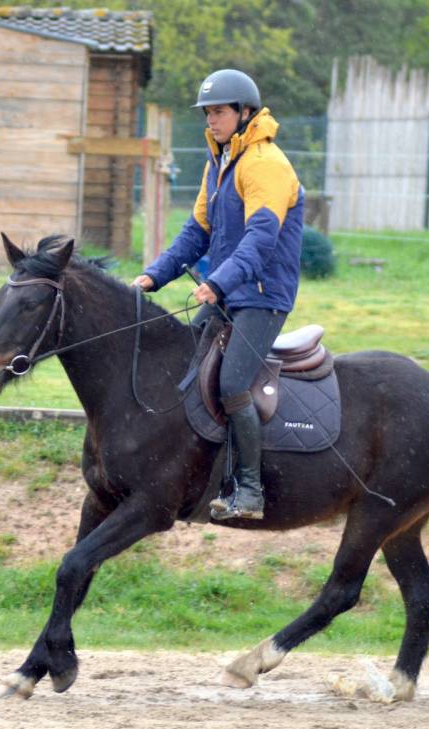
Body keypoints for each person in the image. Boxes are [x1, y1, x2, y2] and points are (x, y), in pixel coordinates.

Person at [132, 68, 304, 521]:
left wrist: (219, 281)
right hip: (229, 291)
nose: (212, 120)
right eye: (208, 113)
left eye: (220, 111)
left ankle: (250, 491)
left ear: (246, 113)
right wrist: (153, 277)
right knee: (185, 363)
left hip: (263, 296)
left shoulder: (266, 163)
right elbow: (195, 234)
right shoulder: (220, 163)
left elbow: (261, 238)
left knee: (231, 382)